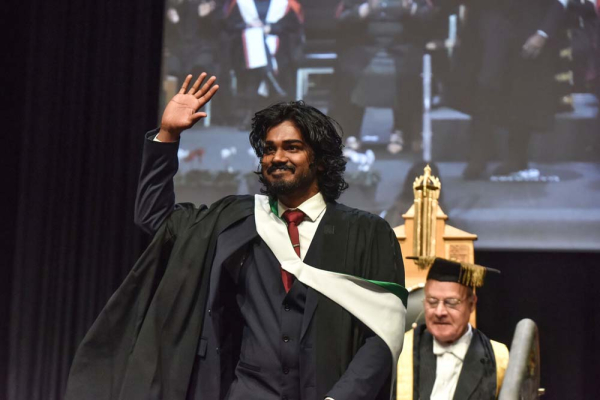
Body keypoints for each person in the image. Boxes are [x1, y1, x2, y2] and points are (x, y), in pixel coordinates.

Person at [64, 74, 407, 400]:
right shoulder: (236, 218)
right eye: (269, 149)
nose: (277, 158)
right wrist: (167, 135)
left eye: (292, 148)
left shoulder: (367, 233)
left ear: (319, 161)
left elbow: (383, 332)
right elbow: (155, 217)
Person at [448, 0, 572, 179]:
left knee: (521, 92)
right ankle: (477, 158)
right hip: (491, 24)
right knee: (485, 90)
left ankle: (517, 158)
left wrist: (543, 33)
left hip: (528, 24)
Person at [330, 0, 441, 152]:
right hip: (364, 47)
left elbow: (431, 17)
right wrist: (366, 9)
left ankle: (400, 131)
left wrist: (411, 8)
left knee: (408, 73)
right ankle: (351, 132)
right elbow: (342, 19)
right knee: (349, 71)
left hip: (403, 46)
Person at [397, 257, 509, 400]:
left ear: (471, 304)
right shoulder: (402, 350)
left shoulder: (498, 358)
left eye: (451, 302)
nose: (439, 312)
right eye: (432, 301)